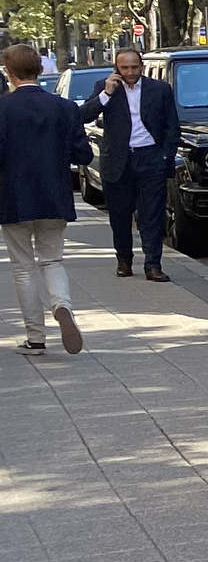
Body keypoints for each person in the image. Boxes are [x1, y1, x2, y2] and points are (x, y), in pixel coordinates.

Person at [0, 42, 92, 354]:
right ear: (40, 70)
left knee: (23, 266)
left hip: (12, 198)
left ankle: (35, 338)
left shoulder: (2, 109)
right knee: (52, 259)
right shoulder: (64, 108)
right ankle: (62, 306)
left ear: (9, 73)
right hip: (54, 195)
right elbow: (84, 153)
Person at [77, 47, 178, 281]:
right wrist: (106, 94)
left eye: (134, 67)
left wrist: (166, 157)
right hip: (118, 160)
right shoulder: (105, 86)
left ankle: (153, 265)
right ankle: (124, 260)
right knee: (120, 215)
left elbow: (172, 125)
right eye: (125, 68)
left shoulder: (159, 89)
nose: (130, 72)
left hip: (150, 158)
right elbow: (83, 116)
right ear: (116, 68)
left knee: (151, 215)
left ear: (141, 66)